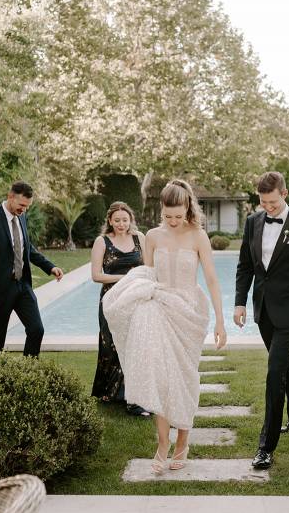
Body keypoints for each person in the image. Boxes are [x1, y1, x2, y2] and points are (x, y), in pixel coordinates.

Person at [102, 179, 227, 474]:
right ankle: (162, 445)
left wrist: (220, 320)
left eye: (178, 216)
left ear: (188, 208)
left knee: (184, 378)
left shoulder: (198, 236)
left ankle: (183, 441)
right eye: (168, 216)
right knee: (159, 376)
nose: (172, 221)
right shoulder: (153, 236)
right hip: (158, 307)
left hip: (188, 311)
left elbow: (210, 279)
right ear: (162, 211)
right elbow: (147, 273)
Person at [234, 171, 289, 470]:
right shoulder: (252, 222)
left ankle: (265, 447)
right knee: (285, 364)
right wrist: (239, 302)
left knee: (275, 373)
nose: (267, 208)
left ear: (284, 194)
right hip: (264, 310)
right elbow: (245, 266)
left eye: (272, 202)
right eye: (262, 202)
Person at [0, 181, 64, 357]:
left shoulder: (21, 216)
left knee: (36, 329)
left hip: (23, 286)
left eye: (27, 206)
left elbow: (26, 248)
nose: (24, 210)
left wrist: (50, 267)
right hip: (0, 290)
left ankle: (28, 372)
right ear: (10, 197)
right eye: (22, 205)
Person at [90, 201, 151, 417]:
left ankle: (133, 397)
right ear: (110, 221)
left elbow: (149, 267)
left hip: (136, 300)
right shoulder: (102, 241)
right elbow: (96, 275)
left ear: (130, 219)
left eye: (125, 220)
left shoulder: (140, 238)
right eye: (117, 220)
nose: (121, 224)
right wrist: (125, 278)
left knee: (135, 345)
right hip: (112, 300)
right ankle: (110, 392)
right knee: (111, 346)